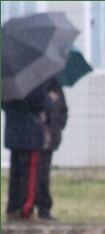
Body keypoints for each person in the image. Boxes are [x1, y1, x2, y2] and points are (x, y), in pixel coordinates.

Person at [2, 81, 48, 220]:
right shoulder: (33, 81)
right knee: (29, 175)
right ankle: (26, 209)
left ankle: (13, 207)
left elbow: (4, 104)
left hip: (13, 134)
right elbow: (40, 101)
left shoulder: (7, 83)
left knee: (16, 174)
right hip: (29, 134)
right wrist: (50, 99)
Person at [35, 77, 68, 220]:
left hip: (50, 137)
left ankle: (44, 207)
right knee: (35, 173)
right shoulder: (34, 85)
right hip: (35, 137)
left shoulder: (55, 86)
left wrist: (56, 127)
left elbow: (63, 110)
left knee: (44, 173)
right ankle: (32, 205)